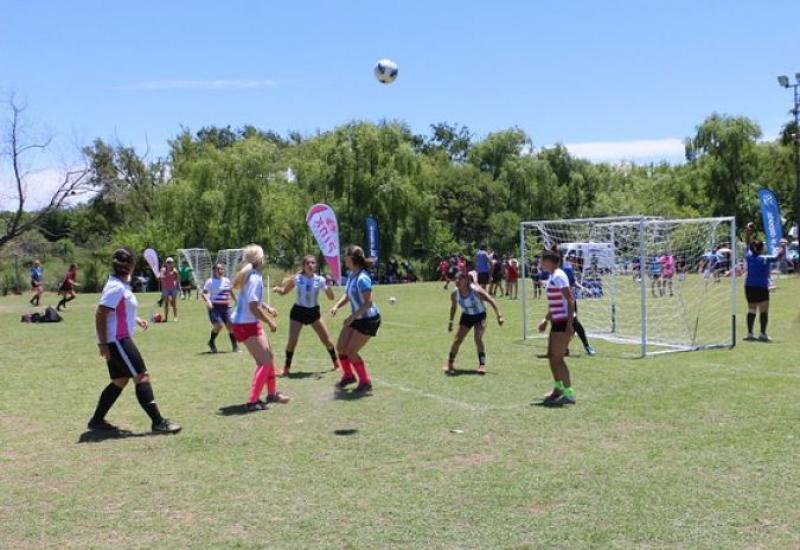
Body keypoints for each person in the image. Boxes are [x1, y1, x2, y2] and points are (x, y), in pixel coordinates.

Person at [87, 248, 181, 434]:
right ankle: (158, 422)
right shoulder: (116, 286)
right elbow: (101, 313)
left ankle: (97, 420)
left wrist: (135, 319)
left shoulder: (120, 284)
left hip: (116, 339)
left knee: (119, 380)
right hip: (118, 340)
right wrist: (103, 344)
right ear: (130, 265)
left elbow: (118, 309)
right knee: (142, 376)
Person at [231, 244, 288, 411]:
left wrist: (267, 307)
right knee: (264, 362)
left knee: (269, 357)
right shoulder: (254, 278)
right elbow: (253, 307)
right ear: (260, 259)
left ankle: (272, 394)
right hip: (245, 324)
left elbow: (253, 300)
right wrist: (270, 321)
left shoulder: (251, 275)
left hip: (246, 322)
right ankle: (253, 401)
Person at [272, 255, 340, 377]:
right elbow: (284, 292)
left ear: (315, 265)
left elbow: (331, 298)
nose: (310, 265)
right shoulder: (297, 278)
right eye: (307, 263)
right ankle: (286, 368)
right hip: (298, 312)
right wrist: (278, 289)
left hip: (313, 313)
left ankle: (336, 364)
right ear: (303, 266)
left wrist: (328, 286)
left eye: (313, 263)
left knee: (327, 341)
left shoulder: (320, 280)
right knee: (292, 342)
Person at [330, 245, 380, 394]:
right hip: (357, 318)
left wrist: (351, 317)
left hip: (369, 319)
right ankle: (348, 376)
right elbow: (347, 295)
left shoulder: (362, 278)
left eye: (345, 255)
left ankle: (365, 382)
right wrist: (336, 306)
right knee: (341, 347)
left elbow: (368, 303)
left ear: (352, 258)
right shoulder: (352, 275)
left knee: (351, 351)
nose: (343, 258)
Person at [444, 272, 504, 375]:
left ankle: (482, 365)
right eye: (456, 279)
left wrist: (499, 315)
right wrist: (451, 321)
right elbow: (453, 307)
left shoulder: (476, 291)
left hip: (480, 316)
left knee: (478, 338)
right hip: (467, 316)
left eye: (460, 279)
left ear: (467, 281)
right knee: (457, 340)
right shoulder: (455, 293)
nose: (457, 281)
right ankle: (450, 363)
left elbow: (491, 300)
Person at [537, 249, 576, 406]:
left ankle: (569, 394)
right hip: (557, 321)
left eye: (543, 260)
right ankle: (558, 389)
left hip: (563, 322)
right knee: (552, 356)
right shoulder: (553, 276)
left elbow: (570, 300)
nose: (541, 263)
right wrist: (546, 319)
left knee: (558, 359)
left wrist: (569, 326)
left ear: (550, 261)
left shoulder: (559, 276)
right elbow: (556, 302)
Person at [743, 223, 786, 342]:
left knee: (751, 310)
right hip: (761, 287)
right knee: (763, 311)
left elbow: (747, 243)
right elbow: (778, 256)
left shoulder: (749, 257)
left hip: (749, 287)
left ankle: (750, 334)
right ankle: (762, 334)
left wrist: (748, 233)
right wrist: (783, 245)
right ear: (761, 249)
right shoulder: (765, 259)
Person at [561, 252, 596, 356]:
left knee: (574, 323)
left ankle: (586, 346)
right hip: (559, 300)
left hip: (569, 299)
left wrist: (582, 287)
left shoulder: (567, 268)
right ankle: (565, 347)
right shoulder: (554, 269)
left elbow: (572, 282)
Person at [202, 263, 238, 354]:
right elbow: (204, 293)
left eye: (222, 269)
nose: (221, 271)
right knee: (219, 325)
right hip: (215, 307)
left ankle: (235, 346)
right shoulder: (210, 281)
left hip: (226, 307)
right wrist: (208, 301)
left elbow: (230, 291)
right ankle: (211, 342)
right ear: (214, 271)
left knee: (231, 325)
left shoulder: (227, 280)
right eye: (219, 269)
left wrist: (236, 300)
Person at [159, 257, 179, 322]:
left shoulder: (175, 271)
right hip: (165, 289)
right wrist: (168, 275)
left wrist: (175, 283)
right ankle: (165, 318)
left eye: (171, 262)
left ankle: (175, 317)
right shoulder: (163, 270)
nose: (169, 264)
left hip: (173, 288)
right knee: (166, 304)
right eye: (168, 262)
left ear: (173, 263)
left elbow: (177, 279)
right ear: (166, 263)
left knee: (174, 303)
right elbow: (161, 278)